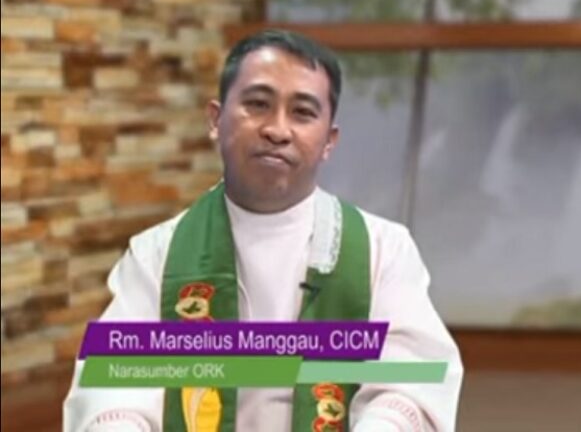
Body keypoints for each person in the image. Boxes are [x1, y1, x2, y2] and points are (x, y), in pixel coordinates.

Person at [64, 30, 463, 431]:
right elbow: (115, 383)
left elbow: (411, 380)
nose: (277, 130)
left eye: (302, 112)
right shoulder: (157, 255)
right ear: (216, 120)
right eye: (257, 104)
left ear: (329, 141)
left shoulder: (383, 250)